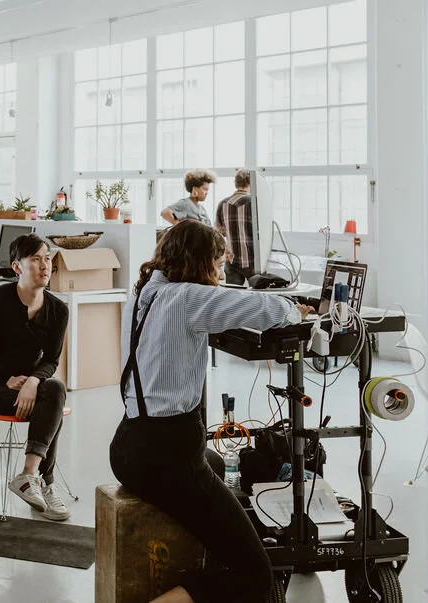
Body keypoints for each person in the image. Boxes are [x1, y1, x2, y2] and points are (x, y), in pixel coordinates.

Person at [110, 221, 314, 603]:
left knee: (217, 466)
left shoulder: (146, 292)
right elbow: (262, 307)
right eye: (218, 264)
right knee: (255, 576)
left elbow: (218, 301)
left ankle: (212, 552)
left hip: (127, 447)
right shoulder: (189, 299)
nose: (220, 274)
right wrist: (295, 309)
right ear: (201, 263)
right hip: (167, 457)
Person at [0, 233, 71, 521]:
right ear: (17, 267)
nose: (44, 266)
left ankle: (28, 475)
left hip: (30, 388)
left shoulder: (58, 310)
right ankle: (46, 483)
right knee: (51, 409)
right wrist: (7, 377)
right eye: (36, 259)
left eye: (47, 258)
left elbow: (51, 360)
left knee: (55, 388)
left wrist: (32, 381)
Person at [214, 168, 255, 286]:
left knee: (233, 295)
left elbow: (219, 233)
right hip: (253, 260)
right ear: (250, 182)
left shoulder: (222, 203)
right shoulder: (254, 202)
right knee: (258, 295)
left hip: (231, 259)